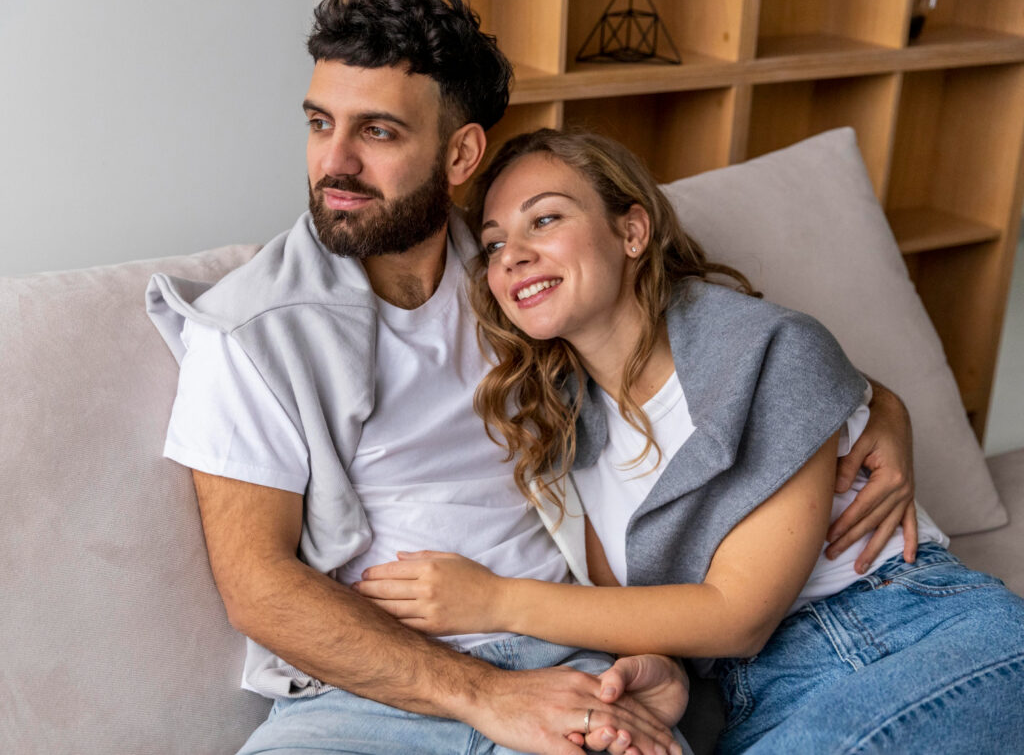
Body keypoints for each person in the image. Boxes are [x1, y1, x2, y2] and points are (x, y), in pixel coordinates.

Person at [145, 0, 918, 752]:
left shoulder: (522, 280)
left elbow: (724, 350)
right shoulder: (250, 332)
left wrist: (880, 408)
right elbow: (259, 587)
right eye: (320, 123)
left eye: (377, 131)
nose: (335, 163)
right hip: (366, 696)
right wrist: (486, 697)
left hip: (569, 669)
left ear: (460, 155)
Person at [353, 129, 1024, 753]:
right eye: (495, 243)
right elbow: (641, 614)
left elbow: (738, 616)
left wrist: (494, 600)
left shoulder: (767, 352)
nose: (514, 256)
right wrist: (663, 672)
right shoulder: (559, 433)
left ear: (632, 230)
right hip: (760, 699)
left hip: (913, 634)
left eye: (546, 219)